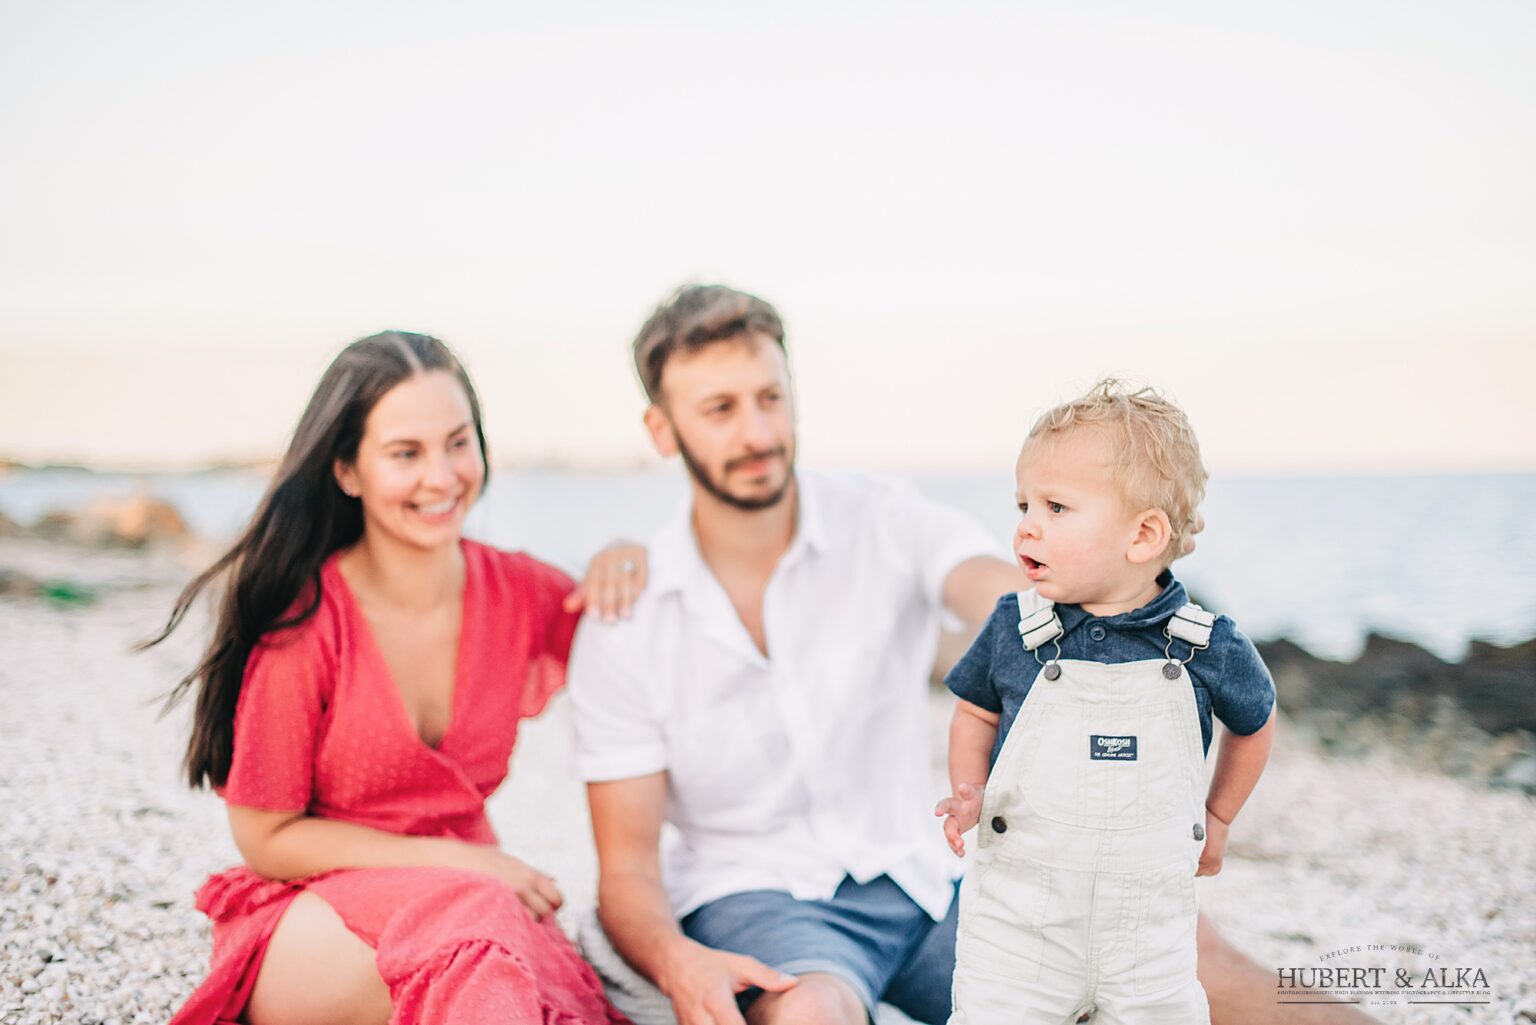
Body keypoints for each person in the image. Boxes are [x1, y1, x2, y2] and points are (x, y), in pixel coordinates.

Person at [569, 284, 1380, 1025]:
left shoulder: (881, 519)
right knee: (811, 1013)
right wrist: (680, 963)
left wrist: (1106, 598)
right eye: (719, 408)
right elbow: (629, 865)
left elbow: (998, 591)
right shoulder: (626, 616)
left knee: (1185, 957)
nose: (757, 431)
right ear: (661, 428)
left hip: (931, 874)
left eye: (771, 397)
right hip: (757, 901)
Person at [144, 331, 637, 1025]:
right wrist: (457, 860)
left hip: (472, 904)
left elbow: (640, 645)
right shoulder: (305, 622)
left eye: (457, 443)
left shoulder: (519, 590)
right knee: (481, 934)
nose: (442, 476)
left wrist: (624, 557)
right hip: (313, 919)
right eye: (406, 453)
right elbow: (266, 837)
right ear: (348, 470)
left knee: (540, 981)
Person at [936, 380, 1275, 1024]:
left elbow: (1256, 722)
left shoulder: (1204, 645)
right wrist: (967, 787)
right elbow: (975, 712)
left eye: (1056, 507)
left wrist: (1220, 817)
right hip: (1020, 936)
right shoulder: (1017, 628)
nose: (1027, 526)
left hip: (1149, 945)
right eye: (1023, 504)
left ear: (1144, 535)